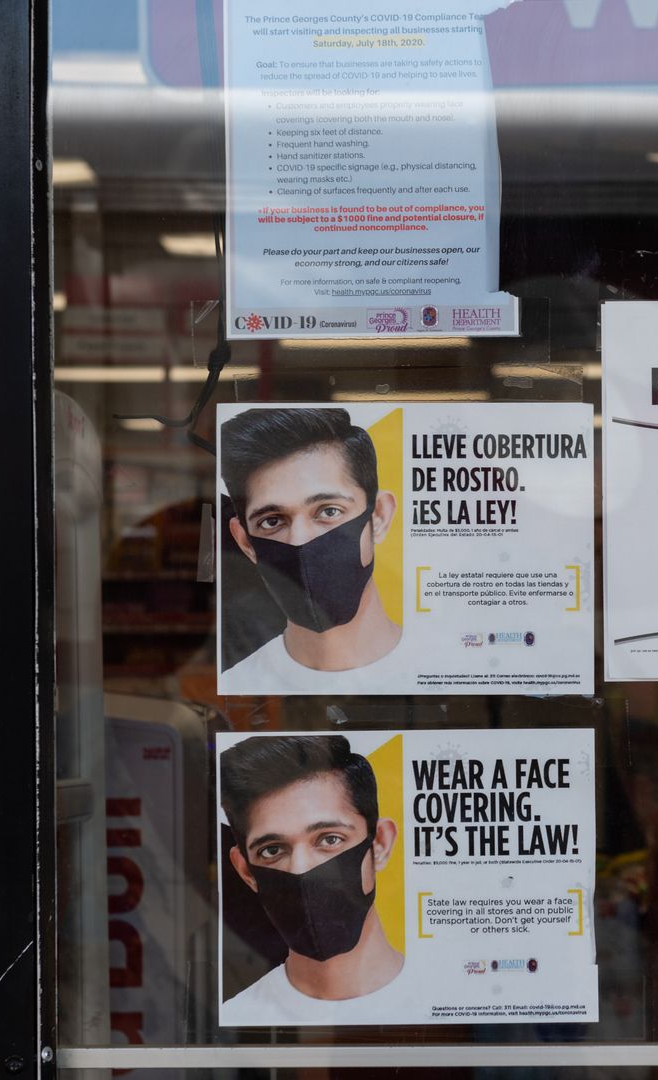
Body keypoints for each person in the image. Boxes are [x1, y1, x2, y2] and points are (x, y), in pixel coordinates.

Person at [220, 735, 407, 1022]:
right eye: (273, 850)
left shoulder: (450, 1007)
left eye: (330, 839)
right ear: (246, 871)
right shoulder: (237, 1020)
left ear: (379, 843)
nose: (300, 869)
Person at [221, 408, 401, 688]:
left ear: (378, 516)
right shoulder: (236, 687)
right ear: (245, 542)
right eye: (272, 520)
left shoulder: (447, 672)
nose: (300, 540)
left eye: (329, 511)